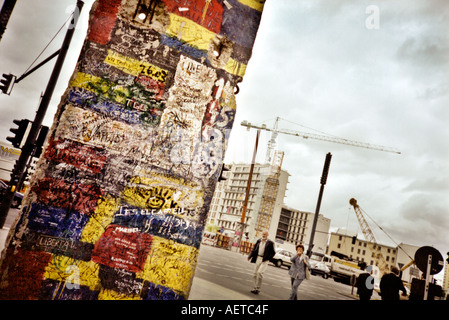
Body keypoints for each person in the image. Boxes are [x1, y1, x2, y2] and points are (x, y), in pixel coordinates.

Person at [247, 230, 276, 294]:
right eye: (263, 234)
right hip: (258, 258)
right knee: (255, 273)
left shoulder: (270, 243)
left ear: (267, 235)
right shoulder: (259, 241)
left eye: (265, 234)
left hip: (264, 260)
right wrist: (250, 256)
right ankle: (255, 288)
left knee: (259, 273)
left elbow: (273, 252)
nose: (263, 235)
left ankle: (258, 288)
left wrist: (268, 258)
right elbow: (254, 249)